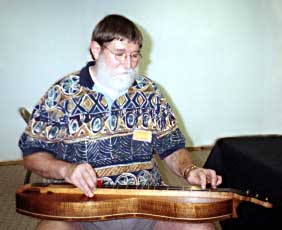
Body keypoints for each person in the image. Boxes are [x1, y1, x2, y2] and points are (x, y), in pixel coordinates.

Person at [19, 14, 222, 230]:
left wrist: (190, 170)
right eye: (120, 54)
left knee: (201, 227)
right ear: (96, 50)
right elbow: (33, 155)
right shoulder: (62, 94)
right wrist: (66, 170)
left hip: (147, 205)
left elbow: (171, 146)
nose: (129, 64)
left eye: (135, 55)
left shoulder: (149, 92)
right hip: (80, 209)